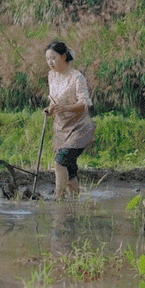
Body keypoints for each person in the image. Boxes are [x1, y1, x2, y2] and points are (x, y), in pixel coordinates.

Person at [45, 40, 96, 199]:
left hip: (79, 129)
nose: (50, 62)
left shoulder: (76, 77)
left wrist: (65, 108)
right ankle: (74, 202)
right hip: (62, 129)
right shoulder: (52, 76)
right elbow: (54, 100)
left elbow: (84, 103)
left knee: (60, 163)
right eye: (48, 59)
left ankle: (58, 199)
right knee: (70, 168)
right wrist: (50, 109)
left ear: (64, 56)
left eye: (53, 58)